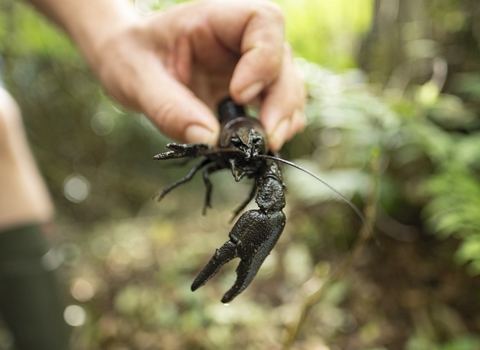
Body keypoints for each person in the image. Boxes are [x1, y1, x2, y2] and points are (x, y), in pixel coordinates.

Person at [0, 0, 306, 348]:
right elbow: (201, 162)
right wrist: (190, 152)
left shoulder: (260, 154)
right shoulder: (221, 141)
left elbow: (268, 197)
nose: (253, 153)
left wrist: (112, 34)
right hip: (223, 132)